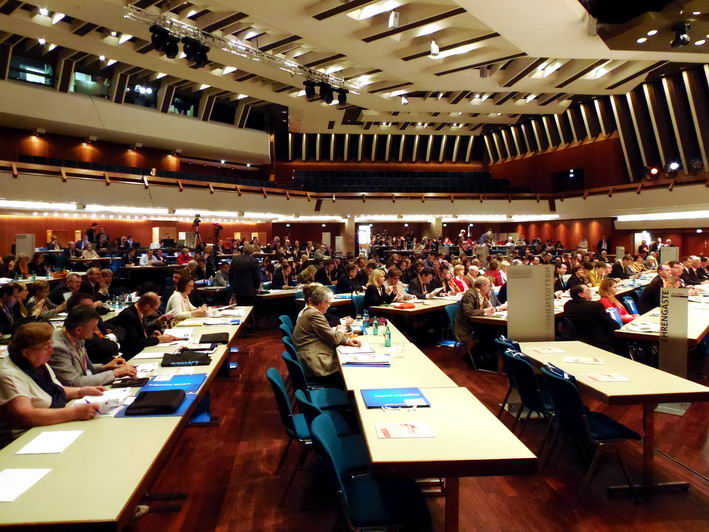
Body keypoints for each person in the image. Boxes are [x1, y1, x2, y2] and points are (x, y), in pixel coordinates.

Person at [0, 322, 105, 447]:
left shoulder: (38, 363)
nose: (52, 351)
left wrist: (81, 391)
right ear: (26, 352)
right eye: (46, 347)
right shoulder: (10, 374)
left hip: (47, 427)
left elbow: (54, 390)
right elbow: (25, 415)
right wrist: (75, 413)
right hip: (24, 439)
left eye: (51, 345)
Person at [48, 305, 136, 387]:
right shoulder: (58, 348)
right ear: (79, 330)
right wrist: (115, 373)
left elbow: (85, 369)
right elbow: (74, 382)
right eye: (93, 328)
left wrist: (106, 367)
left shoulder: (76, 336)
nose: (96, 331)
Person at [291, 286, 361, 380]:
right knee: (350, 365)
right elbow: (334, 339)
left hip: (313, 354)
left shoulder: (311, 311)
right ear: (322, 303)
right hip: (314, 361)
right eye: (329, 303)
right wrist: (340, 330)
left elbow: (327, 335)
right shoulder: (314, 314)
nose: (329, 305)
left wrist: (347, 340)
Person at [106, 292, 176, 359]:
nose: (154, 313)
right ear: (147, 307)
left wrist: (150, 334)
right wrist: (159, 339)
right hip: (129, 356)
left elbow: (140, 333)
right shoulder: (129, 315)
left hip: (138, 352)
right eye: (155, 310)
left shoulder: (139, 311)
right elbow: (135, 344)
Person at [455, 276, 504, 361]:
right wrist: (485, 310)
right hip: (466, 326)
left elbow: (481, 310)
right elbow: (468, 312)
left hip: (477, 323)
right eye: (489, 286)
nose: (490, 288)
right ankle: (488, 358)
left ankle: (493, 356)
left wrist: (490, 308)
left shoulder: (481, 295)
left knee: (496, 330)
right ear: (483, 286)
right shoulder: (469, 294)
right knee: (493, 332)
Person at [563, 284, 620, 353]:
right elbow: (612, 324)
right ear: (581, 294)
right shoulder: (594, 305)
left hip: (581, 340)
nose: (591, 291)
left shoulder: (567, 306)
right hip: (600, 341)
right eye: (588, 290)